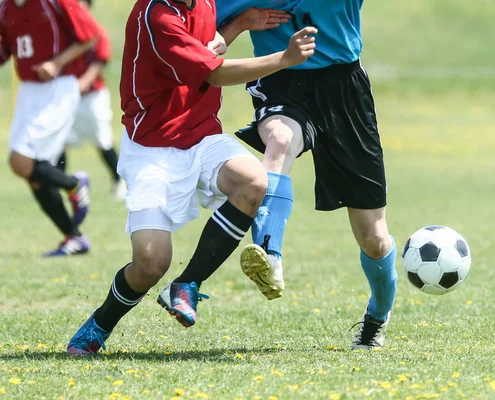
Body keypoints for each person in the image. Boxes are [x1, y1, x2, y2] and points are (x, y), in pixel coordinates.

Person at [66, 0, 316, 356]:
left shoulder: (204, 4)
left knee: (253, 182)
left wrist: (240, 23)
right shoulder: (156, 16)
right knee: (151, 262)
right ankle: (101, 322)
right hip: (151, 147)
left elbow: (209, 45)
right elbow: (212, 71)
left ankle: (187, 284)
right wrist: (285, 59)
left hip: (202, 136)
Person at [217, 1, 398, 350]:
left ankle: (377, 314)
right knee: (280, 140)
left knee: (373, 237)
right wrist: (235, 26)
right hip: (281, 80)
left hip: (344, 87)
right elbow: (204, 37)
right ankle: (270, 255)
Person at [0, 0, 100, 256]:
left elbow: (90, 36)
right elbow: (6, 49)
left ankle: (74, 183)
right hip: (29, 92)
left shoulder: (56, 2)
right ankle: (74, 238)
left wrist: (56, 62)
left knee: (20, 161)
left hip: (59, 87)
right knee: (32, 175)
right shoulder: (5, 7)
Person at [58, 0, 127, 200]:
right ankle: (61, 184)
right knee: (61, 141)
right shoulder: (63, 32)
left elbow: (101, 60)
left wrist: (84, 81)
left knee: (101, 139)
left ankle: (118, 180)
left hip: (92, 95)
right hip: (66, 95)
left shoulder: (97, 30)